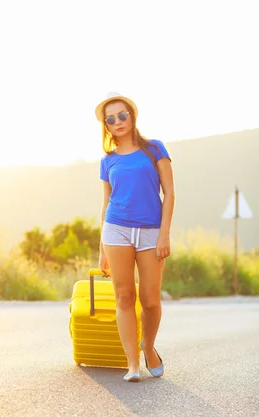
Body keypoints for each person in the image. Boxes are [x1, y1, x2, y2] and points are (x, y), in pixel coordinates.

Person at [95, 92, 175, 382]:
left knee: (150, 299)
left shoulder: (154, 149)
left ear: (132, 116)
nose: (118, 122)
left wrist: (164, 233)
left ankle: (149, 347)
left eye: (122, 115)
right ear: (106, 126)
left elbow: (169, 193)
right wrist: (101, 249)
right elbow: (105, 204)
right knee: (124, 296)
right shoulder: (108, 160)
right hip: (115, 230)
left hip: (151, 231)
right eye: (111, 119)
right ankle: (132, 364)